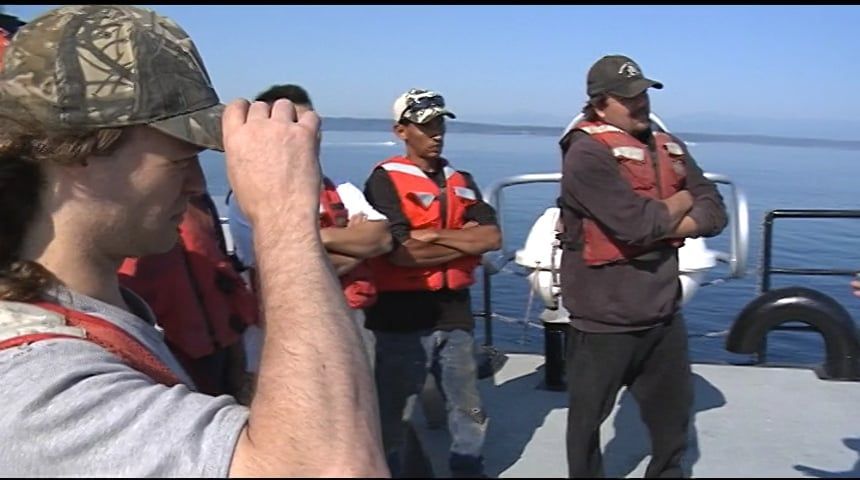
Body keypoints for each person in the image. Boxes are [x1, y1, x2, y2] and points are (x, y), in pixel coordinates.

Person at [0, 5, 387, 477]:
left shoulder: (100, 311)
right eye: (179, 160)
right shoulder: (35, 385)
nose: (197, 185)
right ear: (77, 148)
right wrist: (284, 216)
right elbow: (330, 468)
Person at [557, 54, 729, 478]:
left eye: (644, 94)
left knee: (673, 423)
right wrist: (685, 201)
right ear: (600, 105)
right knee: (586, 422)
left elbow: (716, 211)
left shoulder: (666, 144)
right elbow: (637, 225)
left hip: (662, 313)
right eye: (628, 98)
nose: (641, 104)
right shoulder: (587, 155)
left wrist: (673, 216)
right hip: (604, 319)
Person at [362, 88, 502, 477]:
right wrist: (463, 244)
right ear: (402, 131)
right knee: (395, 410)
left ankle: (468, 464)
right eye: (425, 126)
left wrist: (432, 236)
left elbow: (492, 237)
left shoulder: (463, 180)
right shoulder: (384, 180)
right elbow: (399, 252)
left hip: (454, 313)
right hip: (399, 318)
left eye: (439, 124)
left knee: (470, 403)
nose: (436, 133)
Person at [227, 83, 392, 366]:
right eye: (293, 126)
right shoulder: (245, 200)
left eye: (310, 126)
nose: (306, 136)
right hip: (288, 331)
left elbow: (382, 240)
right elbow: (277, 269)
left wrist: (316, 238)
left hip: (351, 323)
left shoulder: (342, 189)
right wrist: (353, 242)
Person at [117, 190, 259, 401]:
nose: (195, 178)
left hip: (221, 337)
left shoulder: (196, 198)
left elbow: (219, 260)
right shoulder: (118, 207)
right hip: (165, 347)